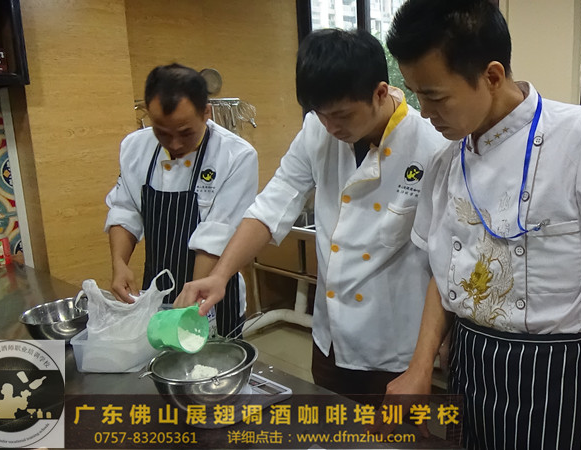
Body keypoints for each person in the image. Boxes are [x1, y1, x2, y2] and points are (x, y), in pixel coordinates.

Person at [384, 1, 581, 448]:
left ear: (492, 76)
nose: (424, 112)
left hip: (556, 376)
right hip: (468, 363)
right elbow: (444, 270)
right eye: (416, 94)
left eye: (435, 96)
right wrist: (420, 367)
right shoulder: (446, 161)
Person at [175, 29, 448, 399]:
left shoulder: (432, 146)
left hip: (394, 345)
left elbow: (444, 261)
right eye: (320, 114)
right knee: (329, 425)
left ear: (380, 93)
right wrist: (221, 275)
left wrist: (424, 363)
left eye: (341, 114)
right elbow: (272, 204)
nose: (331, 127)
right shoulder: (318, 131)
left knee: (391, 431)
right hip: (330, 339)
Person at [105, 63, 257, 337]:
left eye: (185, 132)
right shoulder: (134, 147)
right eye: (162, 132)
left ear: (206, 112)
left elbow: (217, 234)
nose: (174, 144)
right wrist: (120, 263)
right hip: (157, 288)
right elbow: (125, 210)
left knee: (211, 358)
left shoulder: (236, 156)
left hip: (212, 292)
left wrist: (191, 304)